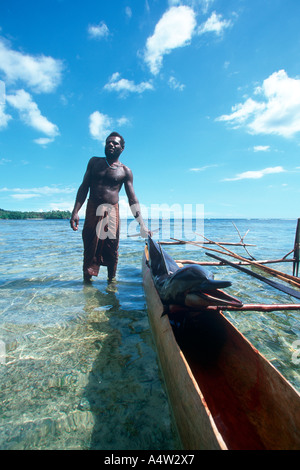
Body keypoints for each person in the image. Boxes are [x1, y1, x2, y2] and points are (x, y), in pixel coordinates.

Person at [70, 132, 150, 283]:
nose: (111, 145)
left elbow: (132, 199)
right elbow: (83, 188)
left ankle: (111, 283)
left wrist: (142, 224)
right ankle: (87, 284)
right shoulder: (94, 162)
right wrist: (75, 212)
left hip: (111, 211)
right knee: (89, 246)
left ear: (122, 148)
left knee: (112, 248)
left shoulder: (125, 171)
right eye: (108, 142)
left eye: (115, 143)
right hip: (93, 208)